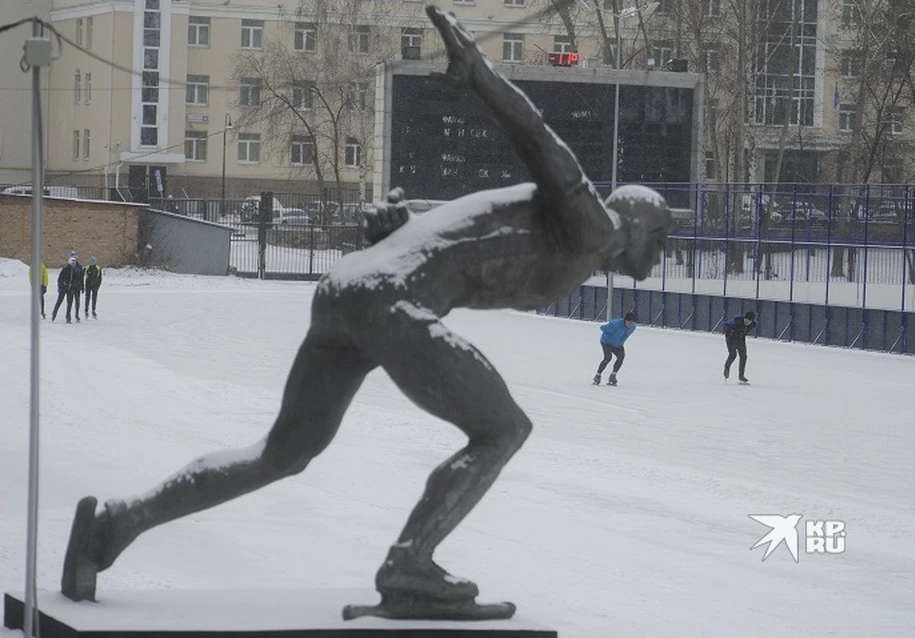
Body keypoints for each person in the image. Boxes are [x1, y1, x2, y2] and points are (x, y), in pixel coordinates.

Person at [60, 5, 672, 617]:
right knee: (503, 429)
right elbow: (537, 137)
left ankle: (114, 525)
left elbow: (455, 238)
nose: (658, 255)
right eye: (661, 239)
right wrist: (481, 73)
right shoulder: (593, 225)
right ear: (639, 225)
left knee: (282, 453)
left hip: (352, 289)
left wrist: (392, 234)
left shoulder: (558, 230)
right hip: (392, 298)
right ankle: (409, 564)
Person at [593, 312, 637, 386]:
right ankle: (598, 375)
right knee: (608, 358)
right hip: (606, 343)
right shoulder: (615, 324)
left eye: (631, 322)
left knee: (621, 357)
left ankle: (613, 376)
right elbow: (602, 328)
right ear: (625, 320)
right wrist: (609, 333)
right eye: (628, 322)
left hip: (618, 345)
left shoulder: (633, 327)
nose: (630, 324)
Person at [723, 310, 755, 383]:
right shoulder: (737, 320)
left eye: (749, 321)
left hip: (741, 339)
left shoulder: (753, 324)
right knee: (733, 354)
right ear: (744, 318)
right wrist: (729, 333)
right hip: (731, 338)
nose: (747, 322)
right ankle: (727, 367)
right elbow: (726, 324)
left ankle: (741, 376)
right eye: (746, 320)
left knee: (743, 356)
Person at [51, 255, 83, 323]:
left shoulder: (77, 270)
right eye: (72, 262)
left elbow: (78, 279)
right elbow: (60, 279)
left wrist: (78, 285)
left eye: (74, 262)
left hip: (71, 288)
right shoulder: (65, 268)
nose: (73, 263)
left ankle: (68, 317)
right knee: (59, 301)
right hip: (63, 288)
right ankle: (54, 313)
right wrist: (61, 285)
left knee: (70, 303)